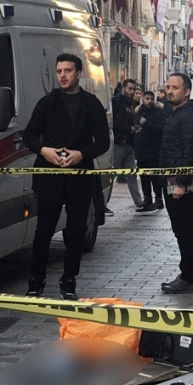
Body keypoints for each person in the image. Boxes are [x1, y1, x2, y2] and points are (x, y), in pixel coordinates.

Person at [23, 53, 110, 300]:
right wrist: (44, 151)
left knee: (75, 231)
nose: (63, 75)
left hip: (80, 178)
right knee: (43, 230)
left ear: (78, 74)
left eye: (68, 71)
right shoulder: (47, 103)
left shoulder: (92, 104)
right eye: (59, 71)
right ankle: (36, 280)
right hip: (49, 176)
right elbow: (29, 134)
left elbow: (103, 141)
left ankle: (69, 280)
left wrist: (82, 154)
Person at [159, 73, 193, 294]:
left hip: (179, 182)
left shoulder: (189, 116)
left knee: (184, 231)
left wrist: (182, 182)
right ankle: (186, 275)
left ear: (186, 92)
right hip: (171, 178)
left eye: (175, 88)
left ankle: (188, 278)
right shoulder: (176, 113)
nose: (169, 91)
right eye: (168, 87)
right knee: (181, 230)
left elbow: (191, 151)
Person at [111, 78, 144, 209]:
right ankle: (102, 204)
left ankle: (139, 202)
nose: (132, 92)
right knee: (111, 173)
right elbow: (114, 122)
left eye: (134, 89)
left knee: (132, 175)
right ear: (123, 88)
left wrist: (134, 128)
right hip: (119, 143)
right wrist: (129, 129)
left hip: (128, 144)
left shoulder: (131, 104)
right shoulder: (117, 101)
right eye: (130, 89)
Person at [133, 90, 167, 214]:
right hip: (141, 150)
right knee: (144, 176)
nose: (149, 101)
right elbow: (135, 125)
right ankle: (147, 199)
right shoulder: (138, 111)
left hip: (154, 150)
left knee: (155, 176)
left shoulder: (158, 112)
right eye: (147, 98)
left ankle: (159, 199)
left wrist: (147, 124)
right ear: (143, 99)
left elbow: (161, 129)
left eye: (151, 99)